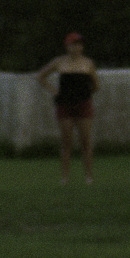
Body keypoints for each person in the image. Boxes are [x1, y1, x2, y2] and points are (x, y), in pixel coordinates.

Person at [36, 30, 98, 182]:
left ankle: (88, 176)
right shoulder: (59, 62)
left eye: (79, 45)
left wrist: (84, 94)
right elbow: (41, 76)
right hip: (65, 105)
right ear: (67, 46)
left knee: (86, 141)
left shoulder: (88, 63)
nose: (77, 48)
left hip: (83, 104)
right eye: (73, 45)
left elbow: (96, 85)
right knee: (66, 142)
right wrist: (55, 92)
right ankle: (65, 177)